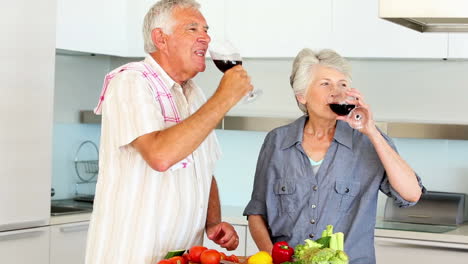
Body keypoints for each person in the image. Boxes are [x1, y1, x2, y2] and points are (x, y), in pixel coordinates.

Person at [85, 0, 253, 263]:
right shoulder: (131, 81)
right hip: (132, 254)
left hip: (183, 255)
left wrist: (213, 222)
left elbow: (203, 169)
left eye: (206, 30)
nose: (206, 38)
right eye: (192, 29)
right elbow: (160, 155)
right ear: (160, 38)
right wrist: (224, 98)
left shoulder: (194, 94)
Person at [243, 48, 425, 264]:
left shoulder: (367, 141)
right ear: (302, 95)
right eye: (325, 83)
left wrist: (372, 131)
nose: (336, 91)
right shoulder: (277, 142)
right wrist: (273, 259)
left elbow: (411, 194)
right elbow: (257, 213)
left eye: (343, 84)